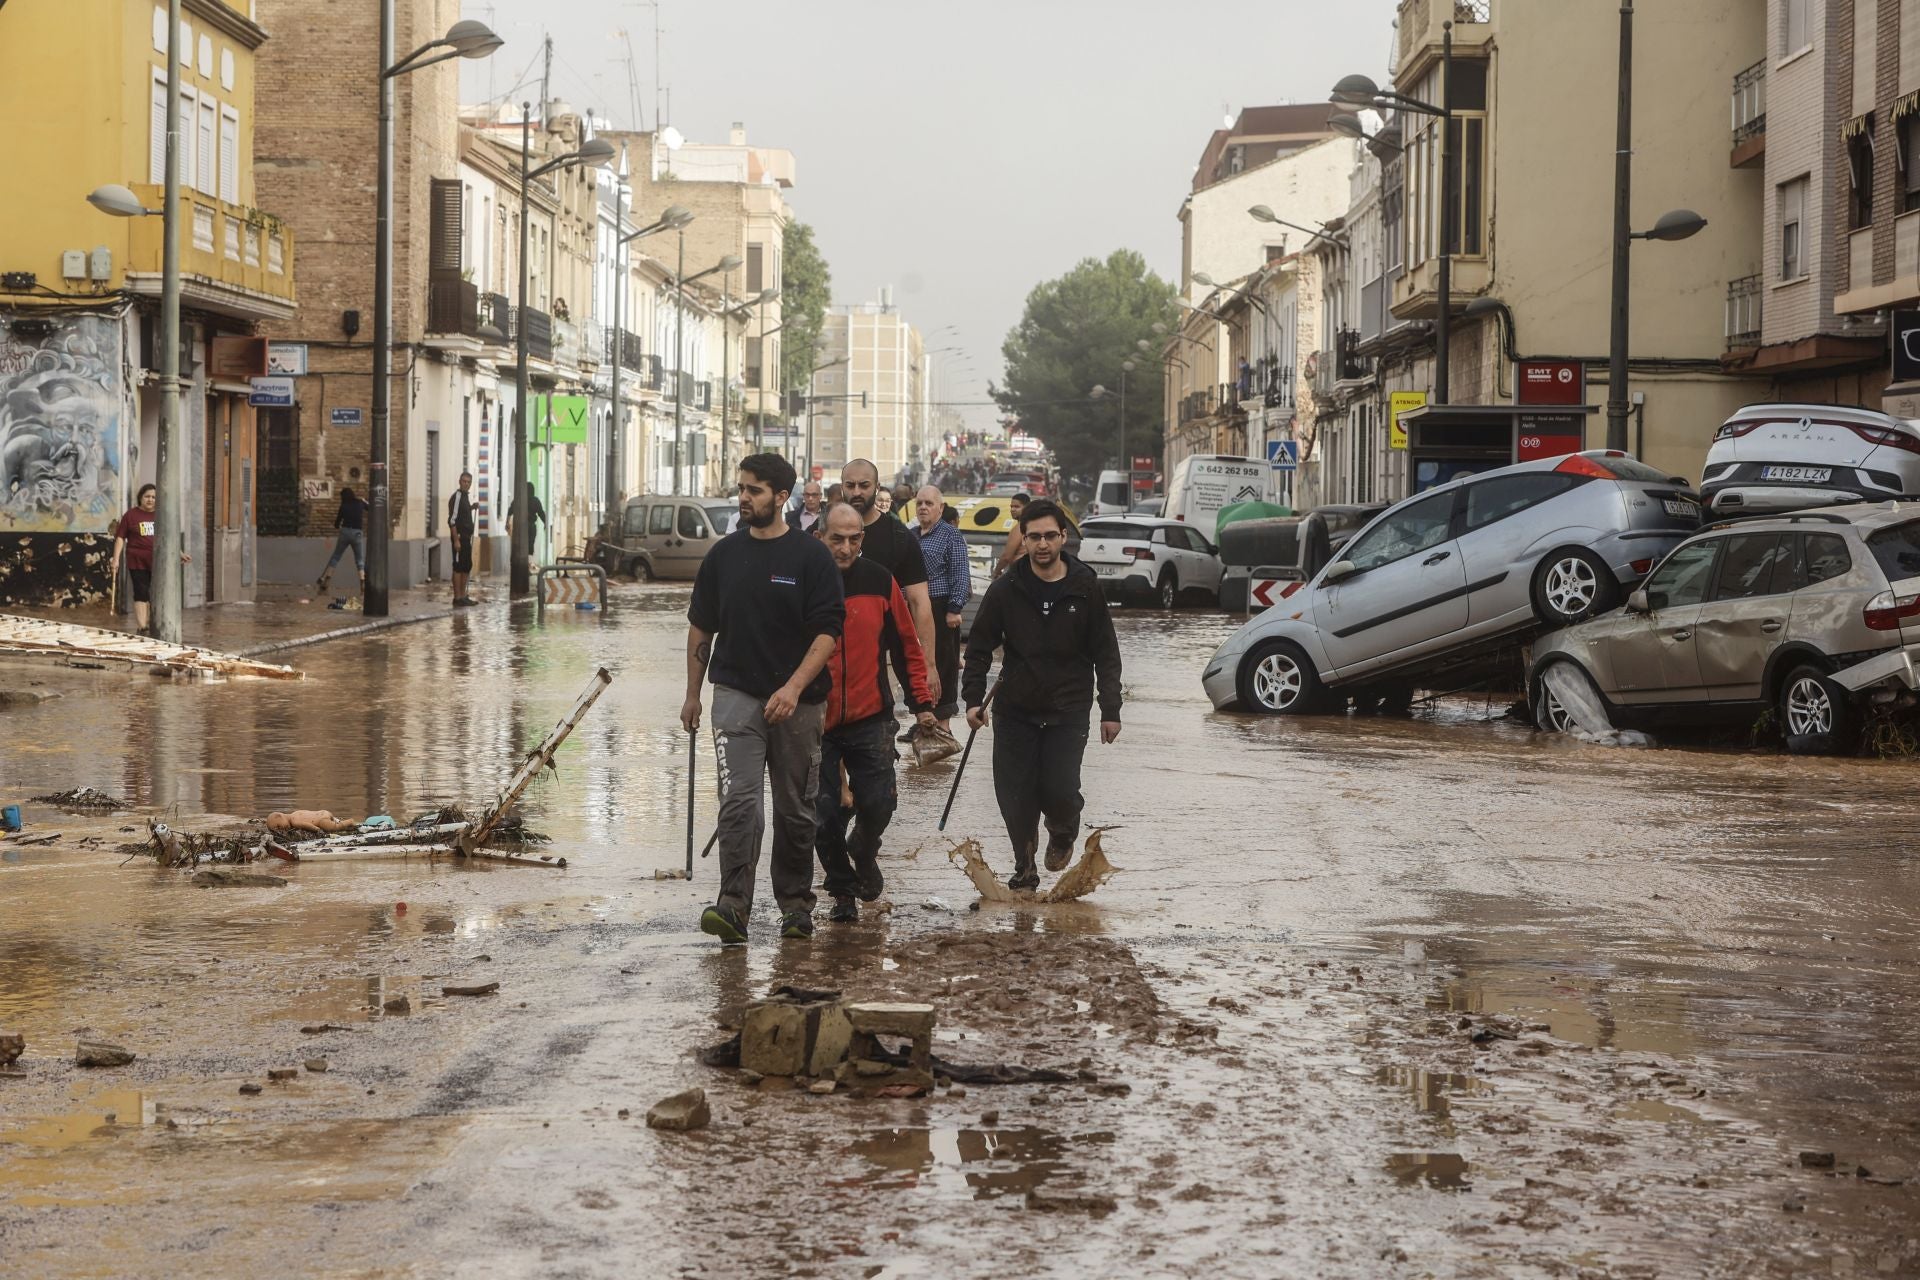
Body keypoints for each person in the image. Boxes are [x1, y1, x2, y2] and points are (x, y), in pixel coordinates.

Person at [682, 453, 844, 945]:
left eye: (753, 490)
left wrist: (793, 688)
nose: (743, 497)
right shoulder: (724, 556)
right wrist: (692, 693)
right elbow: (700, 627)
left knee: (796, 809)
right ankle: (733, 906)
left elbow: (828, 632)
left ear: (781, 497)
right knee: (739, 803)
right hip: (734, 694)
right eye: (741, 488)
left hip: (800, 701)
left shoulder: (810, 557)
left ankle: (795, 905)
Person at [962, 498, 1122, 892]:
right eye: (1034, 537)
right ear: (1024, 539)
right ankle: (1024, 868)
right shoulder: (1005, 590)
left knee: (1059, 789)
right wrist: (972, 701)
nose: (1043, 544)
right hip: (1015, 708)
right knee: (1014, 796)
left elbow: (1106, 650)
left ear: (1063, 537)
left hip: (1068, 708)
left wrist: (1111, 709)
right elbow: (979, 648)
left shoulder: (1084, 587)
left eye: (1051, 535)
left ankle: (1063, 829)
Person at [816, 502, 935, 923]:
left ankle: (863, 851)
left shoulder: (880, 581)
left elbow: (907, 646)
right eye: (836, 539)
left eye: (853, 540)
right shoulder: (804, 582)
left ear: (862, 540)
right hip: (815, 719)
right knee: (824, 811)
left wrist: (921, 704)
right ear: (820, 536)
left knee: (879, 802)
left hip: (871, 715)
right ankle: (842, 891)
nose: (845, 548)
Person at [840, 459, 939, 708]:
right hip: (827, 652)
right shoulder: (819, 533)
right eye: (850, 485)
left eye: (864, 485)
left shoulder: (899, 537)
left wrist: (928, 665)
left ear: (876, 487)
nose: (856, 492)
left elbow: (919, 603)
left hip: (879, 658)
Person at [912, 482, 970, 738]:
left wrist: (954, 608)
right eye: (919, 503)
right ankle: (923, 718)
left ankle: (943, 725)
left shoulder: (951, 535)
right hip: (913, 608)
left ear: (940, 507)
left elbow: (960, 574)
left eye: (929, 503)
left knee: (943, 665)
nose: (923, 508)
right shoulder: (912, 535)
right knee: (917, 663)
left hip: (940, 608)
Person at [110, 484, 159, 634]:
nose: (150, 500)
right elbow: (120, 538)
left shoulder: (161, 515)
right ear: (140, 498)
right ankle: (142, 627)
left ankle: (154, 625)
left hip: (157, 561)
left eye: (153, 497)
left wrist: (180, 553)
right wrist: (116, 559)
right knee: (141, 592)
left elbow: (170, 538)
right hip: (136, 560)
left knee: (155, 593)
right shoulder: (131, 515)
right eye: (147, 496)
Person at [316, 487, 367, 596]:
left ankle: (326, 580)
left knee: (336, 556)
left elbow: (337, 523)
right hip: (357, 533)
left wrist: (338, 526)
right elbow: (370, 508)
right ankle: (362, 583)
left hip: (345, 532)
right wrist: (364, 501)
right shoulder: (360, 503)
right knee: (359, 559)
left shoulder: (343, 506)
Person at [447, 472, 476, 607]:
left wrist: (471, 508)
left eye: (468, 482)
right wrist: (456, 540)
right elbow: (452, 520)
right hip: (459, 538)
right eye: (464, 481)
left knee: (466, 565)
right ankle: (457, 597)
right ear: (459, 481)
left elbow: (462, 513)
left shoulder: (465, 497)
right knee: (458, 567)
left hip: (466, 538)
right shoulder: (457, 497)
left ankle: (463, 596)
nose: (466, 484)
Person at [993, 491, 1029, 578]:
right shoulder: (1031, 525)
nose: (1012, 509)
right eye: (1011, 507)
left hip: (1021, 574)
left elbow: (1006, 557)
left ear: (1027, 507)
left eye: (1017, 507)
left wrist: (996, 572)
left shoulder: (1020, 528)